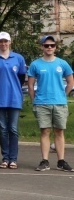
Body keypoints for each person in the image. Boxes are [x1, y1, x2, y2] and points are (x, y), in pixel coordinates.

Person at [28, 35, 74, 172]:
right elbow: (30, 86)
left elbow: (71, 82)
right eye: (46, 45)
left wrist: (63, 95)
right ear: (42, 47)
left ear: (55, 47)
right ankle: (45, 161)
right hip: (42, 103)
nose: (49, 48)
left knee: (59, 131)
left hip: (59, 103)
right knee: (45, 131)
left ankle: (61, 161)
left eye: (52, 45)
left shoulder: (62, 63)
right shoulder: (35, 64)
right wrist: (34, 100)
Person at [0, 32, 27, 169]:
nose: (3, 44)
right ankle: (5, 158)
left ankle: (13, 159)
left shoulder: (18, 58)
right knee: (2, 129)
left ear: (10, 42)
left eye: (5, 41)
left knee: (13, 129)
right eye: (1, 41)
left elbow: (21, 77)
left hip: (14, 98)